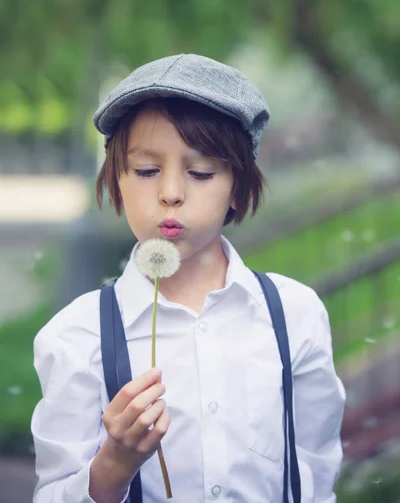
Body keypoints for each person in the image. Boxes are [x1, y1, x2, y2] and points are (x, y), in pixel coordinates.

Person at [31, 53, 346, 503]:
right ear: (116, 181)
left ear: (238, 187)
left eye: (200, 172)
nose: (171, 193)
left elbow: (315, 475)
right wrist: (114, 465)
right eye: (145, 171)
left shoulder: (294, 316)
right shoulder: (76, 338)